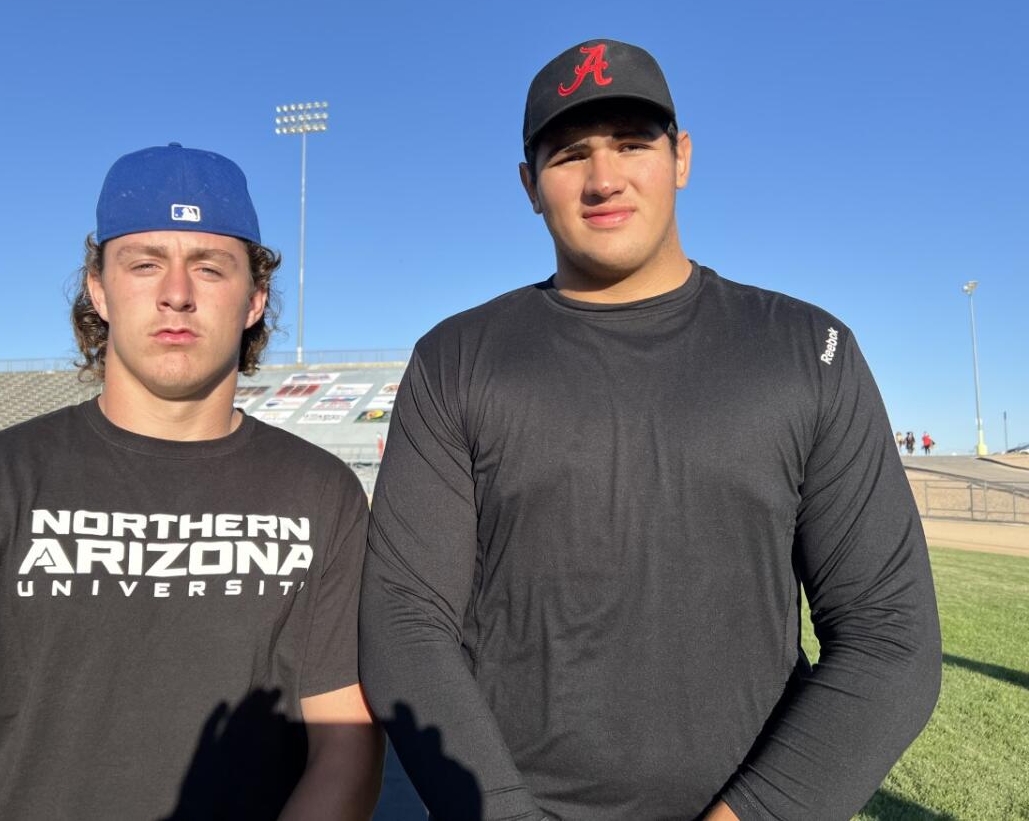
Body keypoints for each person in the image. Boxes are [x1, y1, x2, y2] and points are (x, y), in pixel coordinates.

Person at [359, 40, 941, 820]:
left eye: (633, 144)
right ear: (530, 185)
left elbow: (889, 633)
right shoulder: (457, 359)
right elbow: (405, 619)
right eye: (570, 154)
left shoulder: (805, 349)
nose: (604, 179)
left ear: (682, 158)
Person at [0, 143, 384, 820]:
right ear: (98, 288)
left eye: (210, 267)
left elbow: (346, 753)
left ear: (254, 299)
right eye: (145, 263)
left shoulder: (322, 495)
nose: (176, 293)